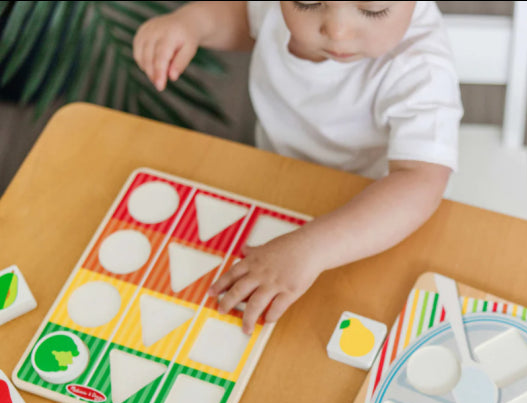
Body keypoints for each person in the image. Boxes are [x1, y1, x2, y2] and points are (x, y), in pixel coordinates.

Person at [133, 1, 463, 334]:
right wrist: (191, 23)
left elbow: (421, 182)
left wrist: (311, 249)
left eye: (373, 9)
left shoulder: (421, 70)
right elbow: (246, 19)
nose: (337, 30)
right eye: (307, 2)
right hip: (281, 178)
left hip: (373, 222)